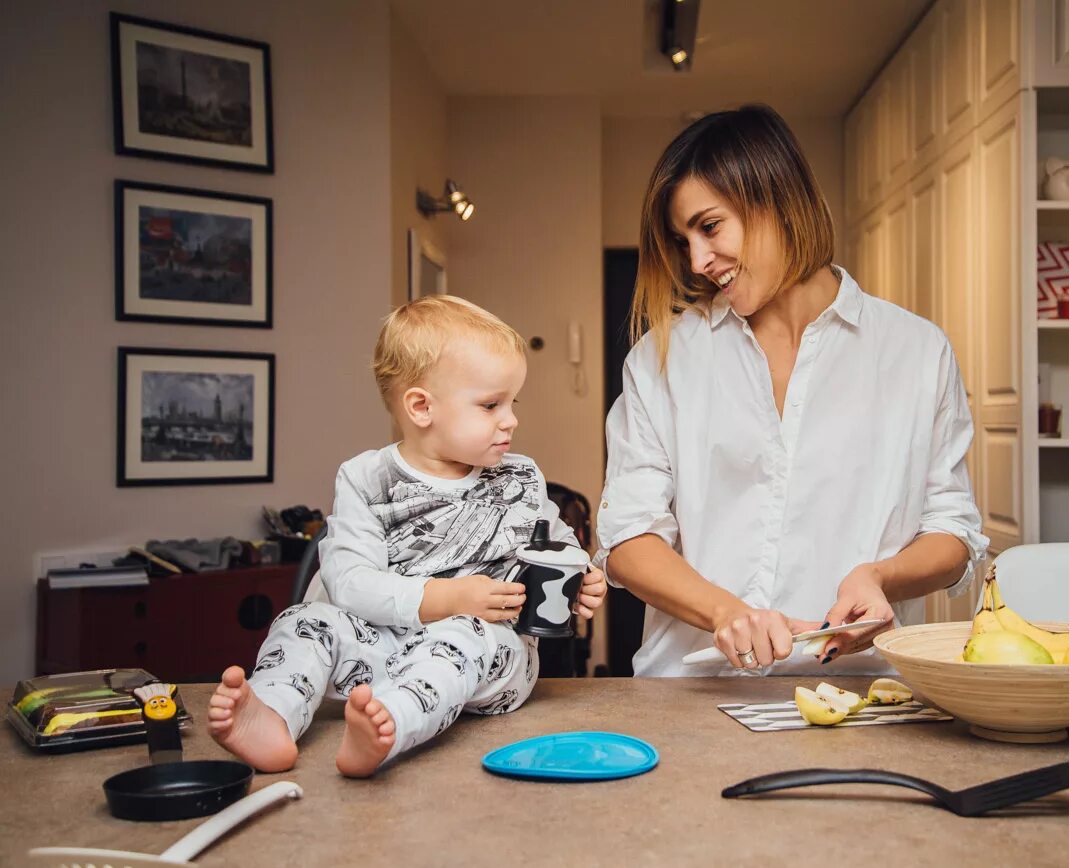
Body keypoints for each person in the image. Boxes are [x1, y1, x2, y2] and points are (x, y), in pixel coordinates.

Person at [596, 104, 987, 677]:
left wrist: (879, 576)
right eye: (684, 241)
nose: (699, 262)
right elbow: (628, 540)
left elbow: (952, 532)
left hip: (859, 691)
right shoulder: (662, 359)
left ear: (776, 197)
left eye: (709, 227)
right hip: (690, 693)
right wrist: (728, 613)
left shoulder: (916, 351)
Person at [208, 296, 607, 776]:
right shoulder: (366, 479)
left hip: (491, 660)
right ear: (421, 407)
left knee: (468, 632)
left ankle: (389, 726)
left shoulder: (519, 477)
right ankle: (272, 713)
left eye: (511, 402)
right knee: (305, 619)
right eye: (490, 405)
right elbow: (349, 582)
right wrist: (447, 595)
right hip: (379, 652)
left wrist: (580, 572)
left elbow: (557, 540)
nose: (511, 419)